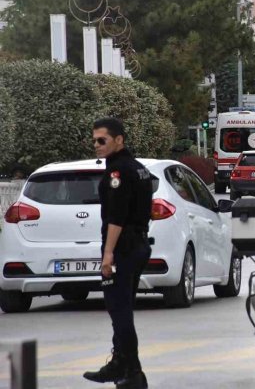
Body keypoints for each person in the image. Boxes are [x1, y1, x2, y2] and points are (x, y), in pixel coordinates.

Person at [83, 118, 153, 389]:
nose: (97, 145)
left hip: (123, 248)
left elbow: (117, 217)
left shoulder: (118, 173)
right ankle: (124, 367)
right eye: (94, 141)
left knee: (119, 310)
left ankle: (129, 369)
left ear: (119, 140)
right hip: (138, 244)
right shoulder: (138, 168)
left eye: (102, 140)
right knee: (121, 308)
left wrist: (108, 254)